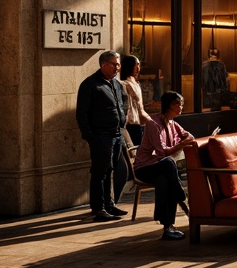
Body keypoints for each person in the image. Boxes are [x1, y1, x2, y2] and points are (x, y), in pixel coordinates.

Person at [134, 91, 195, 240]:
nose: (181, 107)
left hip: (161, 168)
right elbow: (161, 153)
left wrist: (183, 140)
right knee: (168, 163)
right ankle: (182, 195)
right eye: (178, 104)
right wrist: (180, 144)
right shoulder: (152, 123)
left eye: (181, 104)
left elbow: (190, 137)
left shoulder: (173, 123)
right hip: (145, 167)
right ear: (169, 105)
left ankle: (168, 227)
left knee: (164, 181)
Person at [75, 50, 127, 222]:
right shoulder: (90, 84)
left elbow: (123, 104)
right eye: (114, 64)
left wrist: (123, 121)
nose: (117, 68)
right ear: (103, 64)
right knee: (100, 172)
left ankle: (109, 204)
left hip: (116, 134)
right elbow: (82, 113)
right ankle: (98, 208)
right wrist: (90, 136)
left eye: (118, 64)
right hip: (101, 136)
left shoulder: (117, 84)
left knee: (111, 170)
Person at [120, 54, 145, 146]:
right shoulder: (124, 84)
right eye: (136, 65)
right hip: (130, 122)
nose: (138, 68)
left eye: (139, 65)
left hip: (138, 121)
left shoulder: (136, 83)